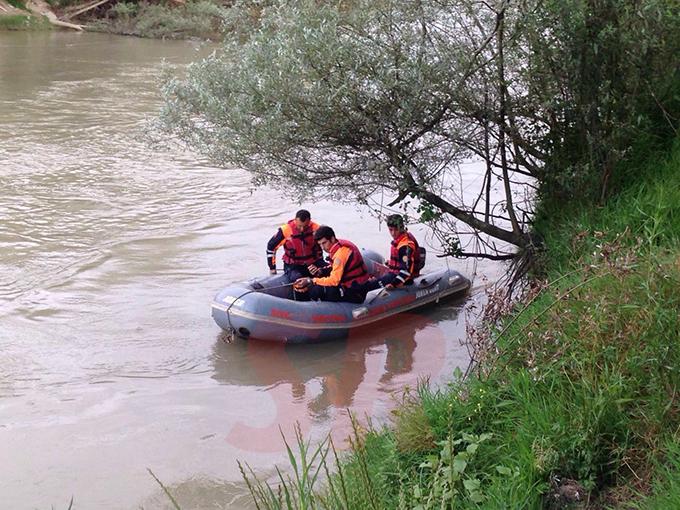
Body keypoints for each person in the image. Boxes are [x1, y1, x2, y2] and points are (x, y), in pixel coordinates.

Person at [293, 226, 370, 303]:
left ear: (332, 239)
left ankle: (313, 310)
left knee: (317, 290)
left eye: (324, 243)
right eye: (320, 244)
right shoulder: (339, 246)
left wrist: (311, 280)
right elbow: (335, 267)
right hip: (350, 284)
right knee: (318, 283)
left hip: (354, 290)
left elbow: (334, 281)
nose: (322, 247)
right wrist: (320, 272)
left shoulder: (340, 255)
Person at [266, 209, 324, 282]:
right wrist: (272, 268)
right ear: (295, 220)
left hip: (313, 262)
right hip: (293, 265)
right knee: (298, 280)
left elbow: (325, 246)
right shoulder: (285, 230)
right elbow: (271, 248)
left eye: (305, 226)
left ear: (309, 221)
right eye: (299, 226)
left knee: (328, 272)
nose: (302, 229)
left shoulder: (316, 229)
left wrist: (320, 263)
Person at [371, 214, 422, 290]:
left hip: (404, 278)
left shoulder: (405, 246)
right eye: (391, 230)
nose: (393, 233)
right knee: (372, 280)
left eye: (396, 230)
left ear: (401, 228)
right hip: (395, 273)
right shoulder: (401, 239)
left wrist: (394, 284)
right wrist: (391, 263)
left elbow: (406, 271)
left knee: (369, 286)